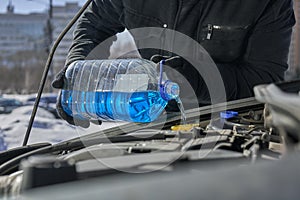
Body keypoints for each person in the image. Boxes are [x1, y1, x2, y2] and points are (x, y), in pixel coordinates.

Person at [52, 0, 295, 127]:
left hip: (227, 125)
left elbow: (264, 77)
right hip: (153, 116)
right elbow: (95, 24)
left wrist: (196, 80)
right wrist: (78, 71)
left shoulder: (266, 2)